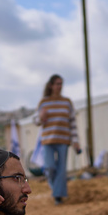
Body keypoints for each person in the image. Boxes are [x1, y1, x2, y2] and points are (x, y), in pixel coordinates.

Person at [37, 75, 81, 204]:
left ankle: (58, 196)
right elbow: (36, 121)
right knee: (50, 167)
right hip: (47, 141)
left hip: (63, 140)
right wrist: (41, 117)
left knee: (61, 169)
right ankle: (55, 189)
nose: (60, 86)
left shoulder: (67, 102)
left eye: (61, 84)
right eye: (57, 83)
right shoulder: (44, 102)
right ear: (51, 85)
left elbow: (72, 123)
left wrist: (76, 141)